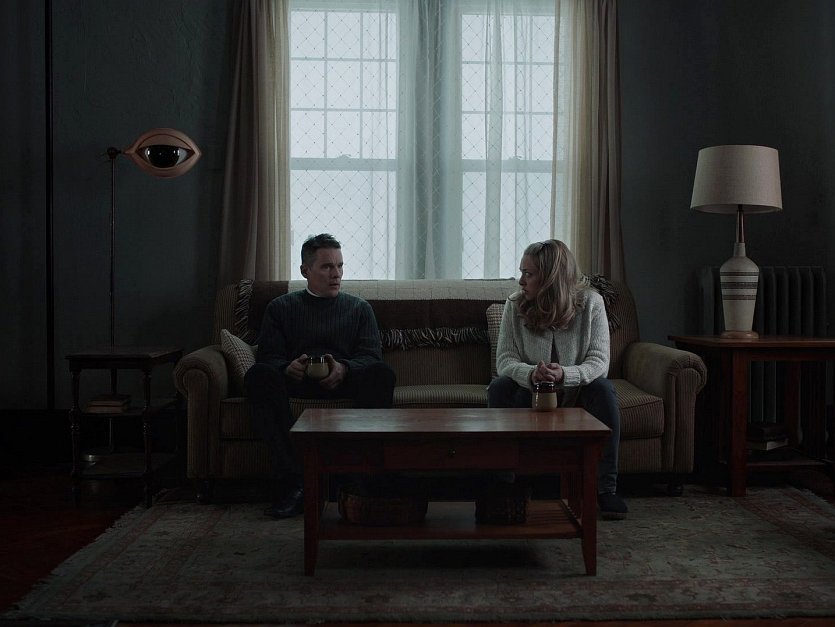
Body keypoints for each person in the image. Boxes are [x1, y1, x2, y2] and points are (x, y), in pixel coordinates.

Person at [244, 233, 396, 518]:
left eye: (340, 266)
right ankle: (296, 482)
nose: (336, 274)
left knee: (381, 374)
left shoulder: (359, 309)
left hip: (343, 382)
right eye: (327, 267)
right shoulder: (281, 308)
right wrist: (286, 368)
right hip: (296, 383)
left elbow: (371, 357)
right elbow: (268, 357)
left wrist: (344, 369)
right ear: (305, 271)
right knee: (258, 375)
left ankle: (356, 478)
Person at [487, 239, 628, 520]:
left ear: (551, 277)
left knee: (603, 389)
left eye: (529, 274)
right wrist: (530, 373)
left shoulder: (591, 303)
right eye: (522, 272)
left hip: (578, 395)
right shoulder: (515, 304)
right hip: (530, 394)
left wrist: (565, 374)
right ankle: (504, 484)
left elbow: (599, 363)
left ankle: (605, 490)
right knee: (499, 386)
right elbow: (505, 361)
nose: (521, 281)